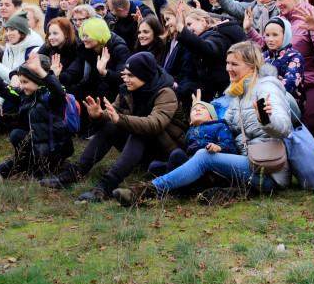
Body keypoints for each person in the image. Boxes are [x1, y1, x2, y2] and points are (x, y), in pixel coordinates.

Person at [110, 42, 292, 207]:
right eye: (227, 63)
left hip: (267, 169)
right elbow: (224, 125)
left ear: (252, 66)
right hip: (244, 161)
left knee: (204, 157)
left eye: (234, 64)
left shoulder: (266, 88)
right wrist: (200, 114)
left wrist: (266, 121)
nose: (228, 69)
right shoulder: (238, 93)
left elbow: (284, 128)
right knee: (194, 156)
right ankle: (232, 190)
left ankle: (145, 192)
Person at [41, 52, 188, 202]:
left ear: (144, 76)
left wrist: (120, 120)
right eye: (125, 74)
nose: (125, 78)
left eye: (131, 75)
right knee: (111, 127)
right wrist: (98, 115)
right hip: (144, 150)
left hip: (167, 153)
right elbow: (114, 114)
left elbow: (154, 125)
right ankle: (74, 173)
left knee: (139, 132)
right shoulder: (127, 89)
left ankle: (106, 186)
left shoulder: (166, 92)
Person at [247, 0, 314, 132]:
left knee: (304, 127)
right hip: (286, 84)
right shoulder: (279, 20)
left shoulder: (311, 15)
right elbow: (266, 46)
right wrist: (250, 30)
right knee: (284, 124)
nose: (278, 4)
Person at [0, 51, 73, 178]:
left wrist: (41, 71)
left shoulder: (50, 96)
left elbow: (59, 91)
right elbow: (4, 90)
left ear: (37, 80)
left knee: (34, 174)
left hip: (53, 150)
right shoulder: (25, 94)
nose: (22, 86)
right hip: (35, 147)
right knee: (2, 167)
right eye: (21, 82)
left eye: (25, 82)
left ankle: (41, 166)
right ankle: (26, 161)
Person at [60, 17, 131, 132]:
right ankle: (80, 126)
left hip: (115, 90)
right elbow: (74, 71)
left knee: (101, 89)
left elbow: (122, 78)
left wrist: (105, 72)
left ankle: (99, 126)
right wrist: (58, 76)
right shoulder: (85, 49)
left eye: (87, 35)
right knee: (73, 89)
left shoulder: (119, 49)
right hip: (93, 86)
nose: (84, 39)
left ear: (98, 35)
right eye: (82, 35)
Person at [139, 98, 237, 179]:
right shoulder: (190, 131)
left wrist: (218, 147)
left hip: (208, 167)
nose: (197, 110)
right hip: (190, 163)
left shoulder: (218, 126)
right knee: (154, 166)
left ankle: (170, 184)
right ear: (191, 121)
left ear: (212, 118)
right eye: (194, 109)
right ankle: (181, 180)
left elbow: (232, 146)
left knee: (177, 154)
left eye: (203, 108)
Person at [173, 4, 247, 101]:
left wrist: (181, 28)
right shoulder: (208, 34)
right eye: (186, 26)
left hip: (221, 92)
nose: (188, 29)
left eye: (190, 24)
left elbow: (207, 49)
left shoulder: (214, 34)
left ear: (203, 21)